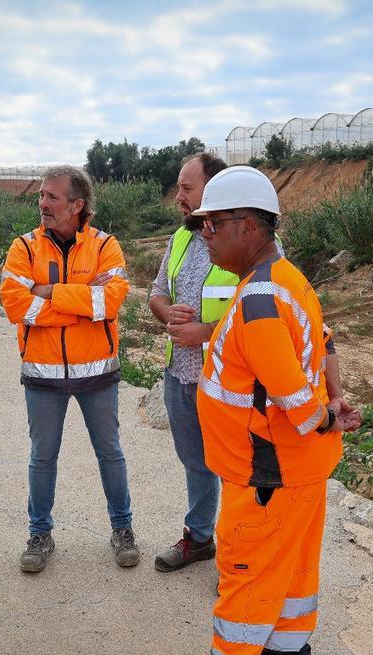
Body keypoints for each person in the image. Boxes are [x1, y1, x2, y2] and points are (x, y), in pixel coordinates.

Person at [157, 166, 361, 655]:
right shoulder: (284, 279)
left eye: (211, 225)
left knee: (246, 570)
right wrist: (334, 402)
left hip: (266, 472)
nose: (203, 235)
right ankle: (288, 654)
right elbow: (323, 344)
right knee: (292, 567)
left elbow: (295, 401)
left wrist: (327, 414)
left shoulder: (258, 300)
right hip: (297, 469)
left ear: (246, 226)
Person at [0, 166, 136, 572]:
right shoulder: (24, 248)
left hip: (97, 376)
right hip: (42, 376)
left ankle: (123, 528)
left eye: (51, 196)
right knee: (42, 458)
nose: (42, 203)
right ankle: (40, 534)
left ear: (77, 205)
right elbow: (15, 305)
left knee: (110, 454)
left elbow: (110, 302)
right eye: (41, 196)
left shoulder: (106, 245)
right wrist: (82, 303)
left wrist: (48, 294)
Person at [148, 152, 231, 572]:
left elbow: (266, 312)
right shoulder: (180, 239)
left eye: (186, 188)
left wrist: (205, 332)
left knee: (236, 468)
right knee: (195, 462)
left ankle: (239, 555)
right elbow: (156, 293)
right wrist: (168, 313)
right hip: (179, 376)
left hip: (227, 381)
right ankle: (199, 538)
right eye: (178, 188)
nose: (177, 197)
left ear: (212, 190)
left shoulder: (243, 242)